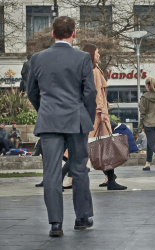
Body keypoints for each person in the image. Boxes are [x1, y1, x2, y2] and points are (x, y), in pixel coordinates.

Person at [27, 16, 96, 237]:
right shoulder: (83, 58)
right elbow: (90, 93)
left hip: (49, 121)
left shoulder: (37, 59)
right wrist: (88, 117)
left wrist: (45, 110)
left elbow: (32, 92)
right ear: (74, 33)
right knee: (79, 169)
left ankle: (55, 223)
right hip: (76, 120)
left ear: (52, 33)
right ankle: (82, 217)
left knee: (51, 173)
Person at [82, 43, 127, 191]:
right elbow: (97, 94)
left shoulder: (89, 69)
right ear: (91, 54)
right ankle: (111, 180)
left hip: (94, 114)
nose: (99, 54)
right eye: (97, 52)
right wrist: (102, 112)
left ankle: (110, 179)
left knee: (95, 148)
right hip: (99, 116)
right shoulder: (94, 71)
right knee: (106, 148)